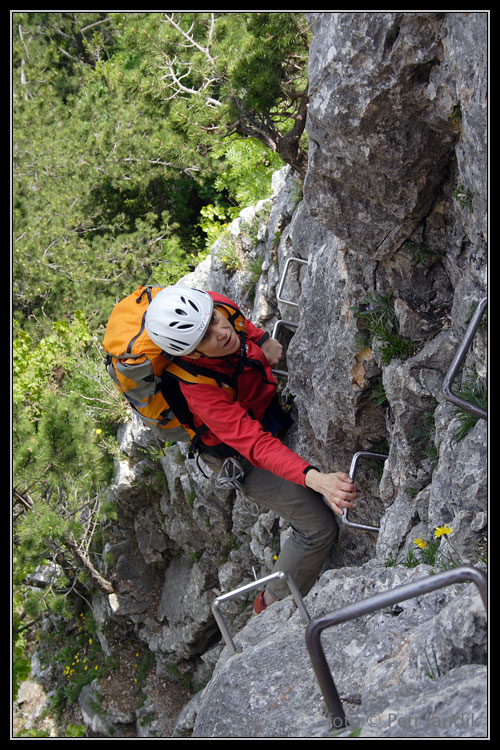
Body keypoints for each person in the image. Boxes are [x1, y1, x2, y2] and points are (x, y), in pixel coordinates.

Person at [145, 285, 359, 612]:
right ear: (191, 355)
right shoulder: (200, 392)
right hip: (239, 457)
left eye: (215, 320)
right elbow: (255, 444)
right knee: (317, 528)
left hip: (262, 408)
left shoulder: (211, 306)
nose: (221, 332)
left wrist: (259, 339)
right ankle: (269, 603)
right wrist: (317, 480)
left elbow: (235, 319)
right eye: (205, 337)